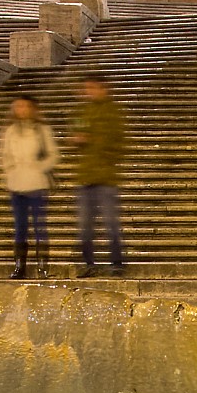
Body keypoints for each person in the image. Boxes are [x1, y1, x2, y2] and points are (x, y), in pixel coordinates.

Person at [0, 91, 60, 279]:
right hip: (16, 184)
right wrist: (9, 171)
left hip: (36, 184)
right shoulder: (9, 131)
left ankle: (42, 267)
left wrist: (39, 167)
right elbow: (4, 155)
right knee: (20, 227)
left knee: (39, 226)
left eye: (25, 106)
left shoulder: (42, 130)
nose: (21, 110)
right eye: (18, 106)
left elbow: (54, 154)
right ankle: (19, 266)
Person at [71, 72, 128, 276]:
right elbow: (74, 136)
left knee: (111, 223)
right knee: (85, 226)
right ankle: (89, 263)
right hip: (85, 176)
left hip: (106, 177)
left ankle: (117, 262)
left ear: (103, 88)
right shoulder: (83, 111)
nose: (88, 92)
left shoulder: (113, 112)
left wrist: (94, 142)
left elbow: (120, 143)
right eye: (86, 88)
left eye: (92, 88)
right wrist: (77, 140)